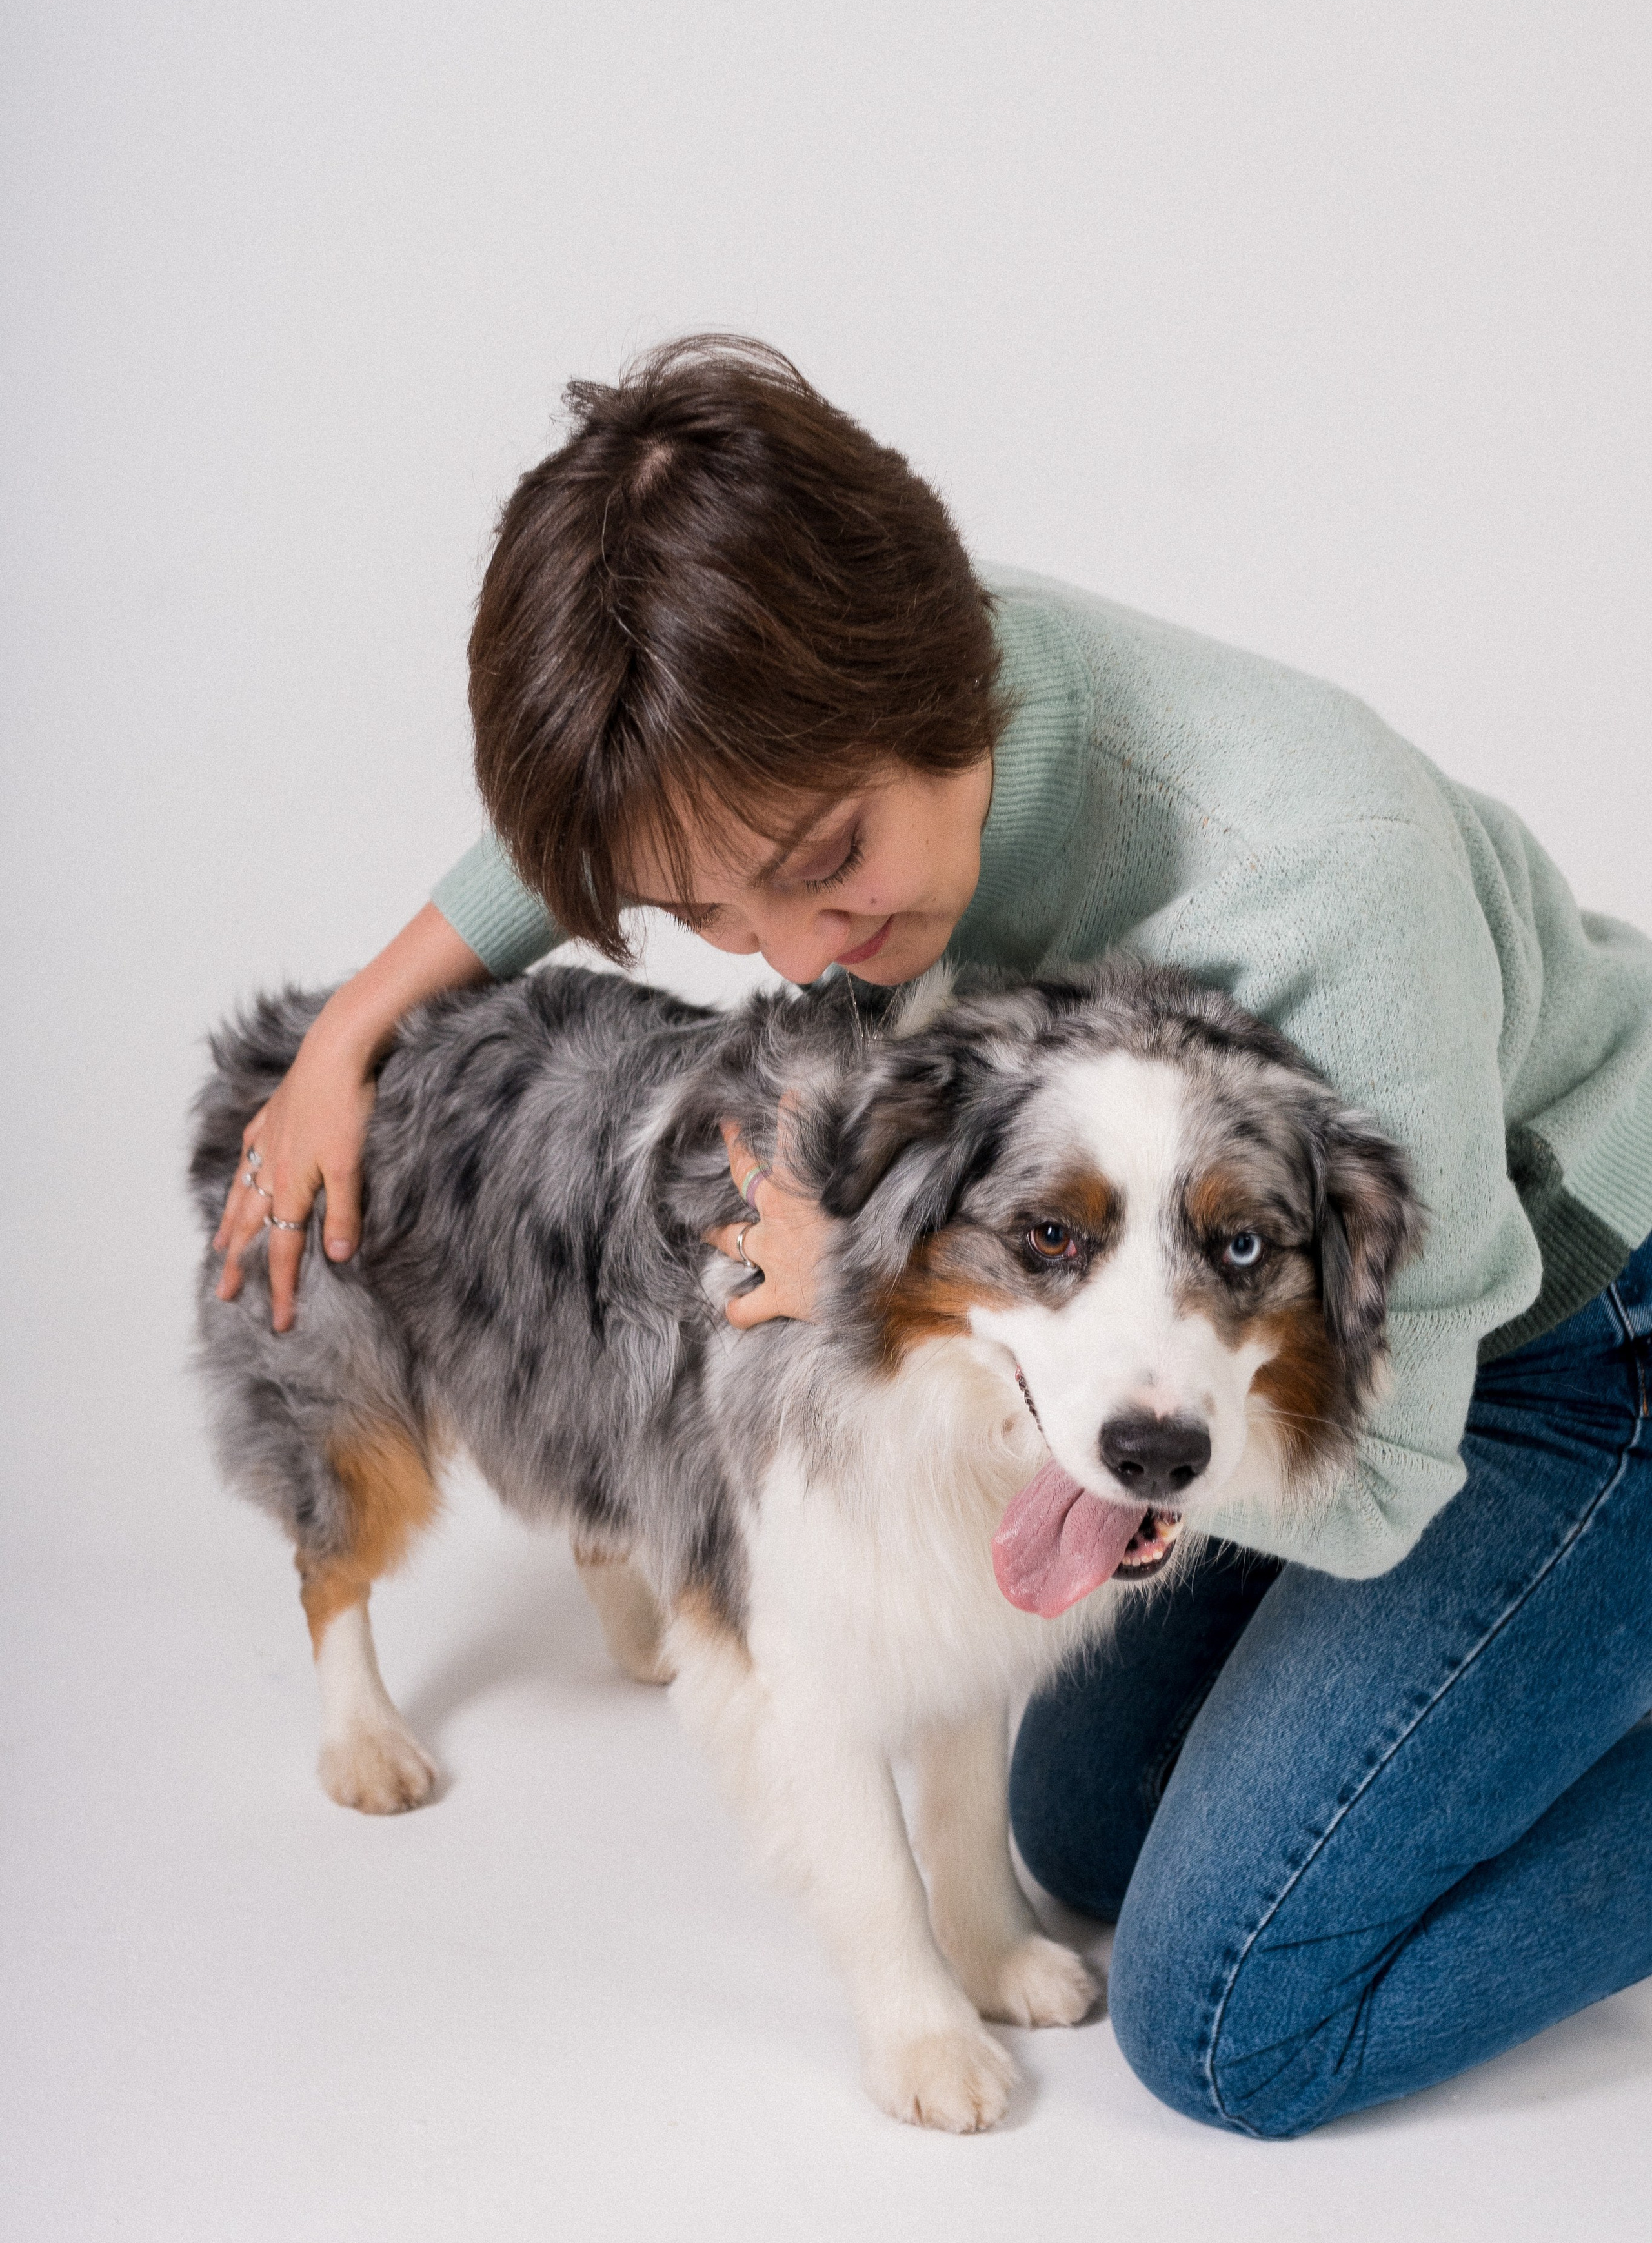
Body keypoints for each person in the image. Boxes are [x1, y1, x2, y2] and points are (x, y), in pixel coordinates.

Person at [212, 336, 1652, 2136]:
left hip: (1548, 1338)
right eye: (705, 915)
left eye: (824, 863)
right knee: (1081, 1843)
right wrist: (351, 1030)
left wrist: (874, 1279)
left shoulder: (1326, 890)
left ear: (927, 676)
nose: (793, 954)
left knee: (1228, 2021)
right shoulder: (861, 694)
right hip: (1208, 1316)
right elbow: (626, 822)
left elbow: (1377, 1482)